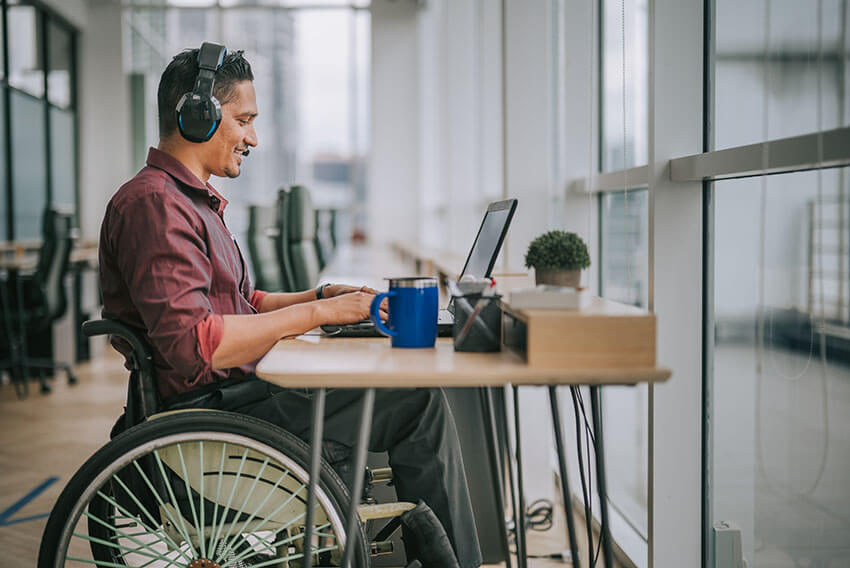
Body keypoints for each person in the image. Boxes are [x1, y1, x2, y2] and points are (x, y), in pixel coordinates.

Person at [98, 45, 482, 567]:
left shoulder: (187, 200)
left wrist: (323, 297)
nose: (253, 137)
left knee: (404, 392)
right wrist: (319, 317)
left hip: (236, 396)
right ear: (198, 115)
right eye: (244, 120)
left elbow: (242, 302)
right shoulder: (155, 204)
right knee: (416, 400)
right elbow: (195, 346)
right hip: (214, 416)